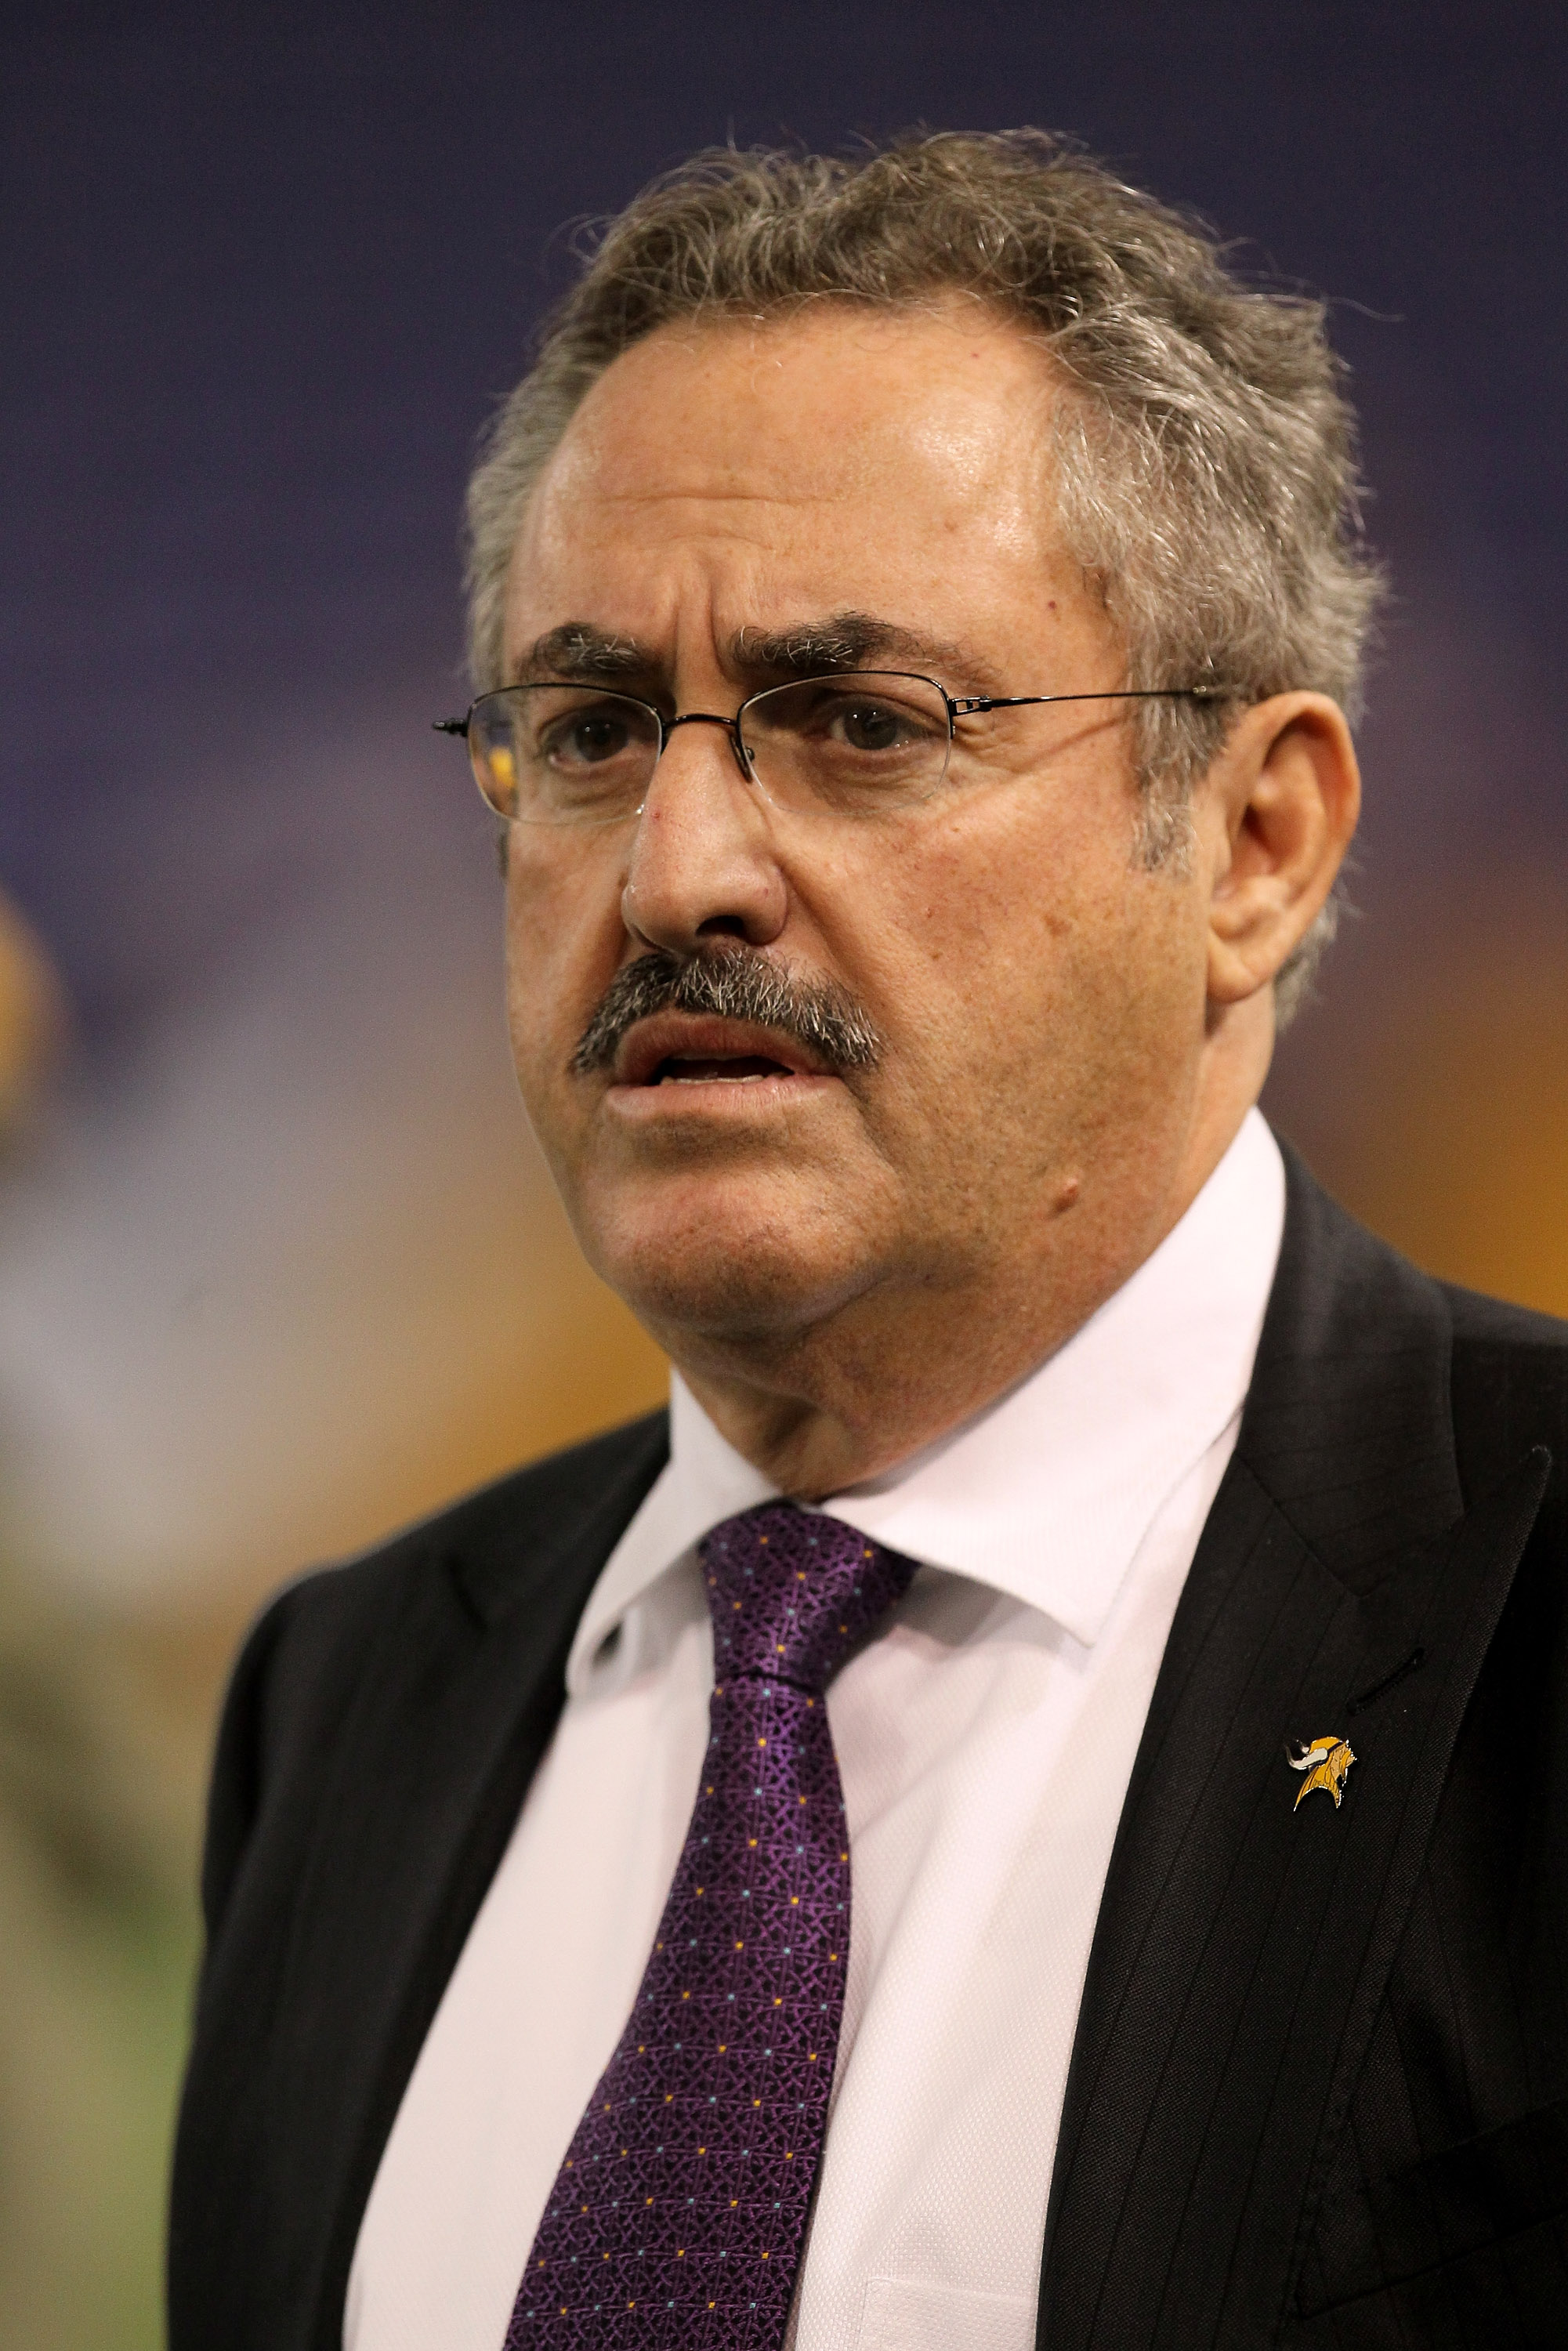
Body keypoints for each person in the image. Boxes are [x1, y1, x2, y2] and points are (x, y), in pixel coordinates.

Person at [168, 134, 1568, 2351]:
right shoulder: (349, 1695)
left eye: (861, 723)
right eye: (596, 727)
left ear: (1253, 840)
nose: (677, 872)